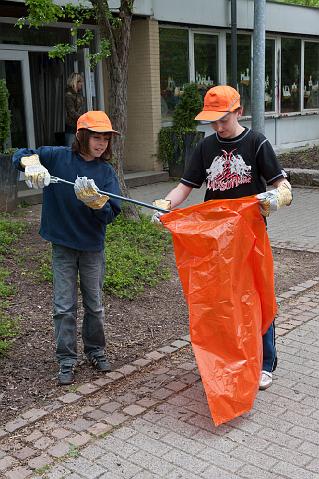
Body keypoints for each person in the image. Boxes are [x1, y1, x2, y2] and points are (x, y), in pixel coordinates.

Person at [153, 85, 292, 391]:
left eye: (223, 120)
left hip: (250, 236)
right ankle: (221, 359)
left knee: (257, 296)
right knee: (219, 300)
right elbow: (186, 185)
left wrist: (275, 198)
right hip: (215, 238)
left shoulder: (256, 143)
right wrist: (166, 203)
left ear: (238, 112)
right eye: (212, 121)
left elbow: (283, 186)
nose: (217, 126)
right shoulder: (205, 147)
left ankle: (265, 363)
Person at [12, 111, 122, 386]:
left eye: (106, 139)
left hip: (92, 247)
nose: (101, 144)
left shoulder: (105, 172)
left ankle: (96, 351)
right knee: (63, 306)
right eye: (97, 138)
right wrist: (31, 165)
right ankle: (66, 359)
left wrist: (98, 204)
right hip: (62, 245)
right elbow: (21, 153)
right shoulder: (57, 157)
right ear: (82, 136)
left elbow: (111, 214)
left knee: (94, 305)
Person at [65, 72, 85, 147]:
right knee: (70, 149)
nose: (82, 84)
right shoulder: (68, 95)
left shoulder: (78, 94)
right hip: (71, 126)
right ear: (75, 82)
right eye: (80, 82)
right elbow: (71, 112)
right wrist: (84, 118)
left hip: (79, 125)